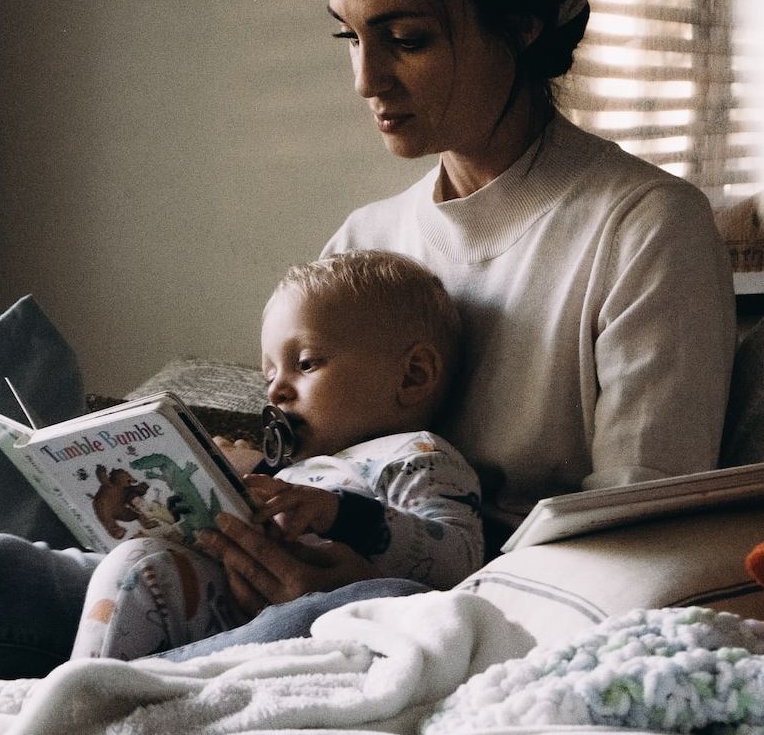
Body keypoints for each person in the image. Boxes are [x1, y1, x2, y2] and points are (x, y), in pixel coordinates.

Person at [0, 0, 735, 676]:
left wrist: (365, 575)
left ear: (520, 22)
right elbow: (294, 444)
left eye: (404, 38)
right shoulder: (367, 239)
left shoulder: (644, 227)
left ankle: (115, 697)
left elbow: (633, 536)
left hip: (462, 608)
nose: (367, 79)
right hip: (275, 569)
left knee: (254, 645)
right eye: (350, 36)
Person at [70, 250, 483, 659]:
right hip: (198, 597)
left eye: (304, 363)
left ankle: (90, 695)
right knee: (41, 558)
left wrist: (340, 514)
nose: (274, 390)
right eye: (270, 375)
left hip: (256, 623)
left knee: (139, 566)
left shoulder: (418, 455)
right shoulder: (292, 466)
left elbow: (458, 561)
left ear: (412, 376)